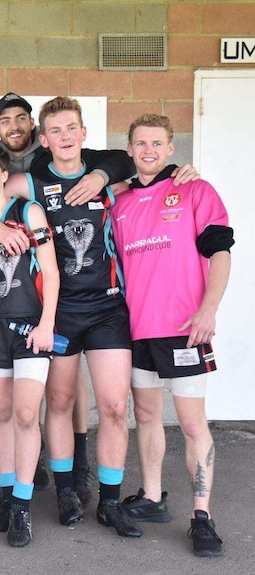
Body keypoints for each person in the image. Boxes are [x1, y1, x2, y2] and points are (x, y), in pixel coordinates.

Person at [0, 97, 142, 538]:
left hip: (107, 308)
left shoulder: (110, 182)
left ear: (83, 134)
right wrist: (1, 227)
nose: (64, 137)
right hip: (58, 310)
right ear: (44, 139)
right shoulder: (33, 183)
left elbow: (145, 170)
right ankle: (65, 491)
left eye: (71, 128)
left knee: (116, 407)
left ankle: (110, 502)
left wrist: (179, 173)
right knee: (58, 403)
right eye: (55, 131)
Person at [112, 114, 231, 557]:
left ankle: (202, 516)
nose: (148, 150)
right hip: (137, 329)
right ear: (128, 148)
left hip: (184, 328)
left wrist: (209, 308)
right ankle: (151, 496)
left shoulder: (195, 190)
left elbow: (221, 251)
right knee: (145, 416)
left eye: (157, 143)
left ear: (170, 148)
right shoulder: (119, 202)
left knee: (192, 423)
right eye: (140, 142)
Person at [0, 144, 60, 547]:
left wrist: (47, 324)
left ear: (5, 174)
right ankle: (6, 496)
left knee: (25, 414)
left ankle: (22, 506)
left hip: (31, 326)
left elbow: (52, 272)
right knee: (1, 412)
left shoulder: (29, 212)